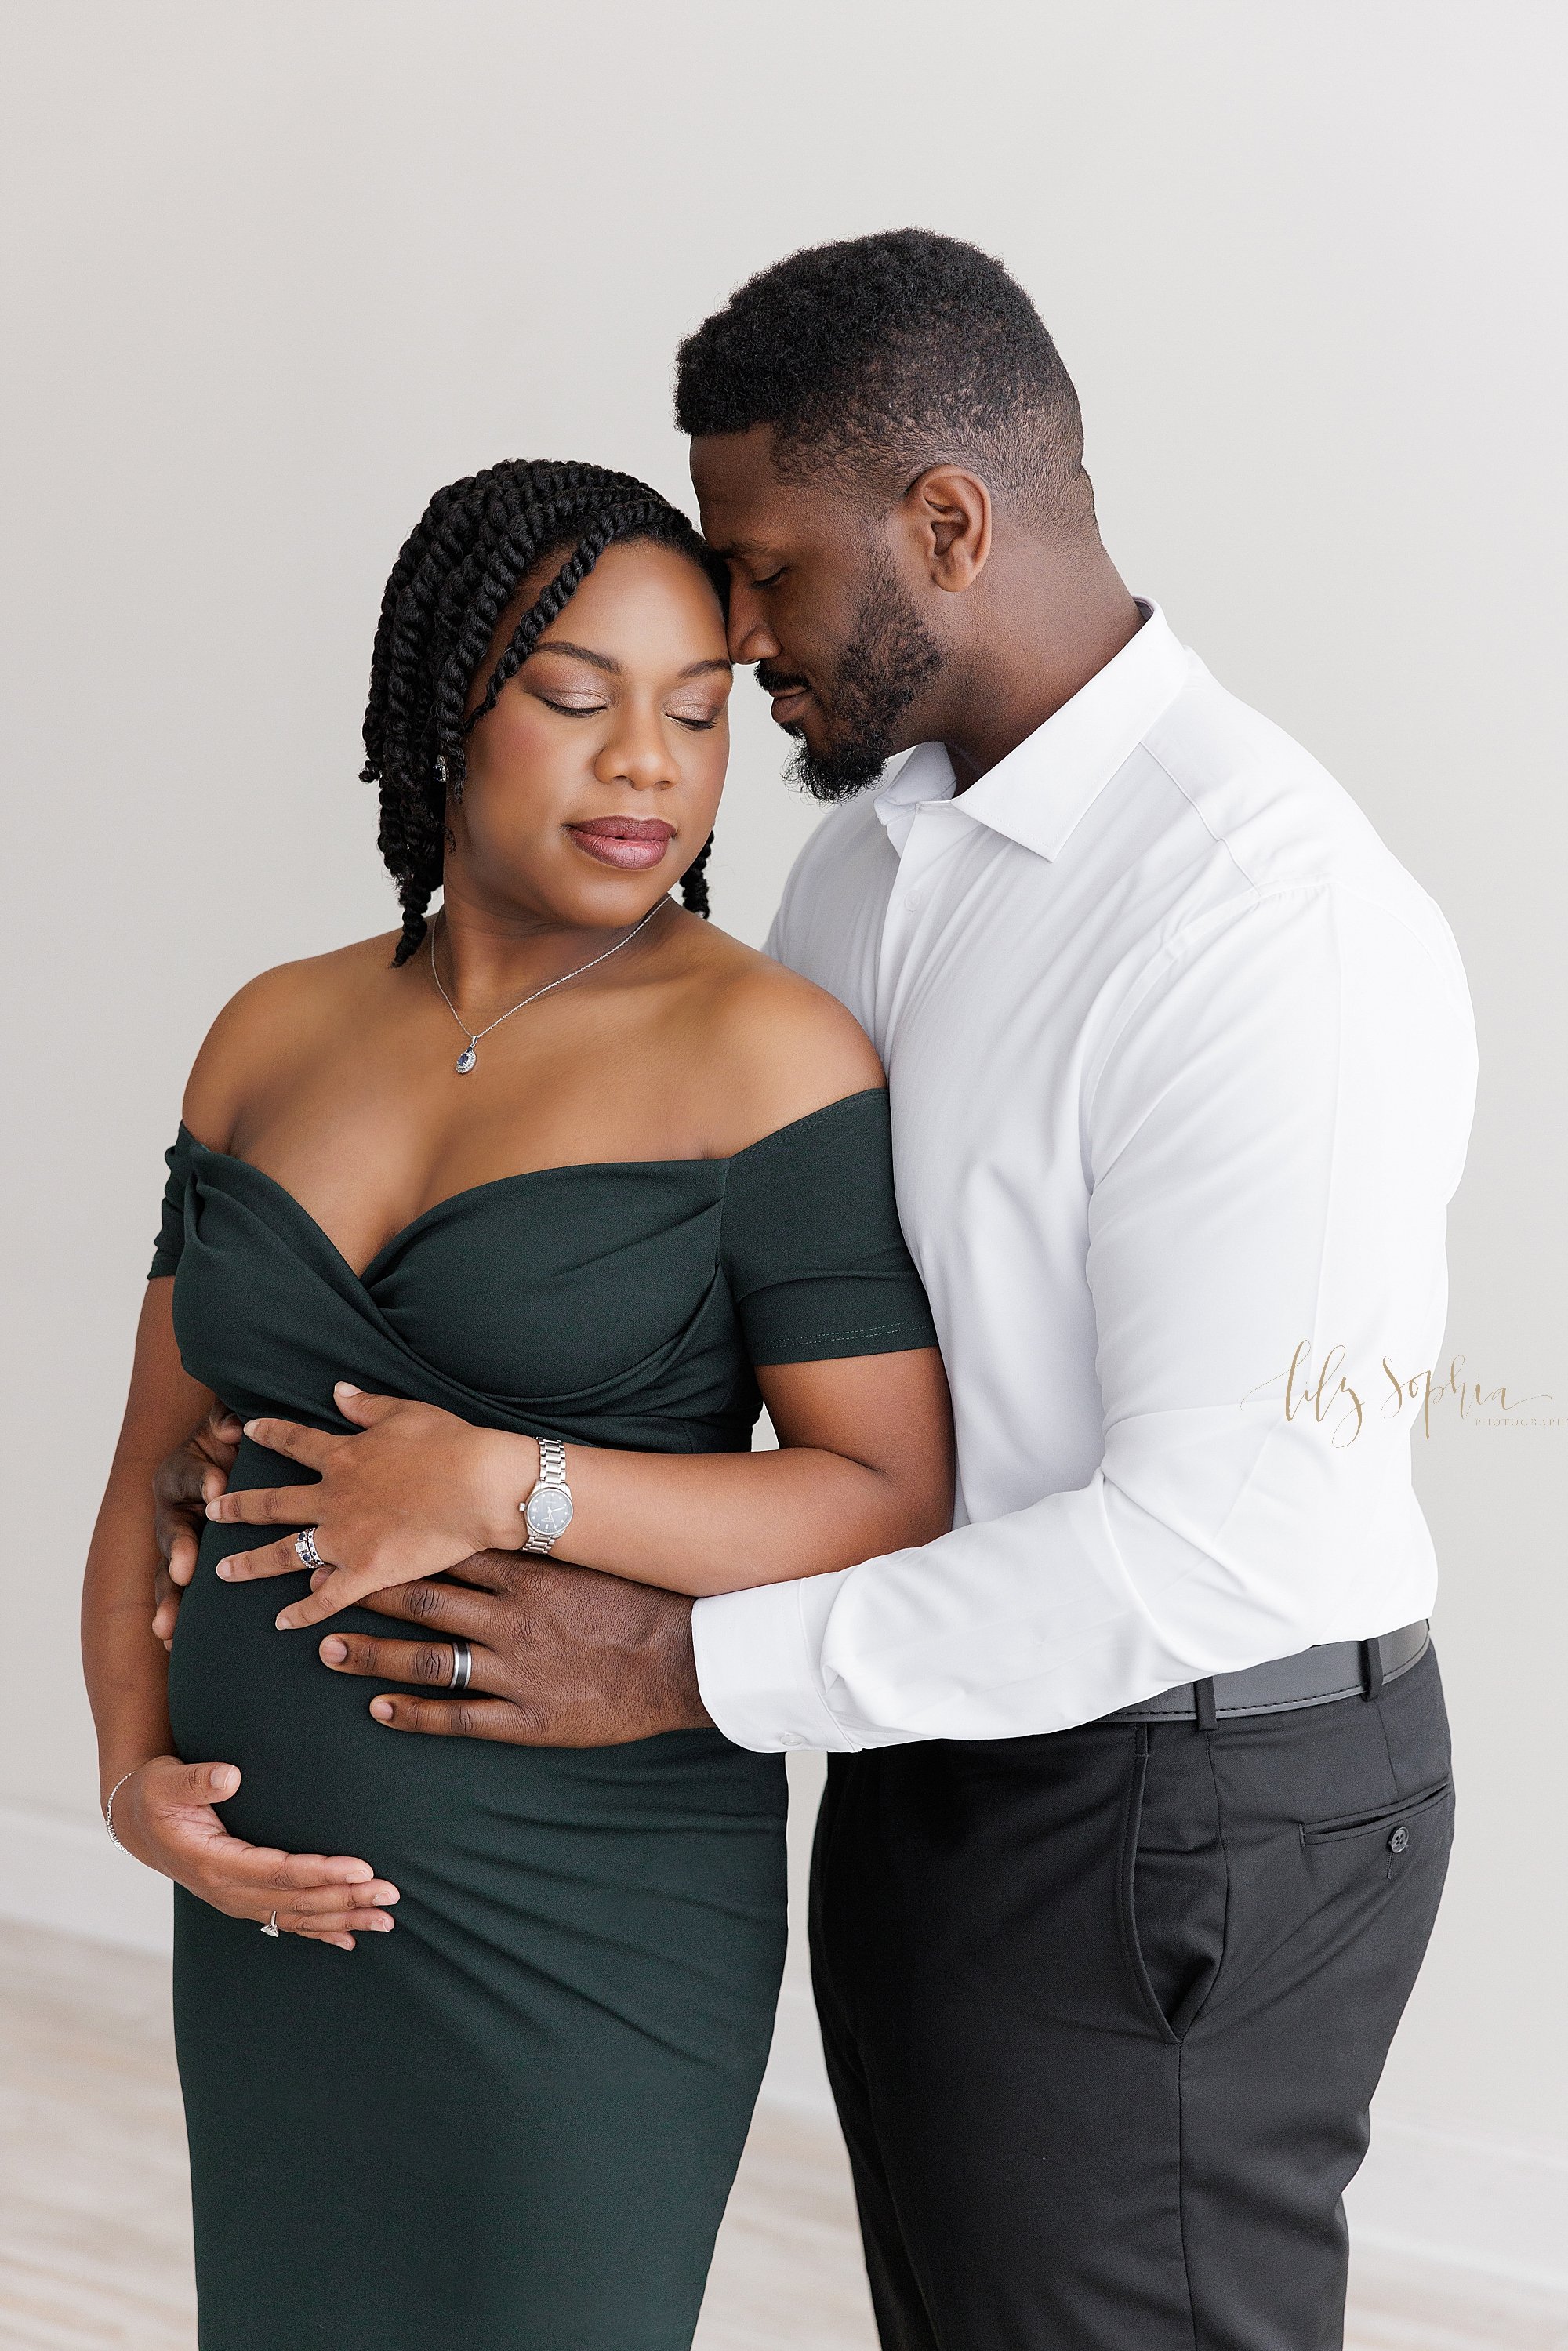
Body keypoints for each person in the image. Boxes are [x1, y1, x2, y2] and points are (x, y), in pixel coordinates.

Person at [151, 233, 1476, 2351]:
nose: (730, 635)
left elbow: (1249, 1538)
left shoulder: (1266, 923)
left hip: (1188, 1790)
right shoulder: (866, 860)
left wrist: (678, 1659)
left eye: (759, 578)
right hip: (933, 1739)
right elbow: (749, 1312)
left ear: (947, 525)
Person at [82, 457, 953, 2351]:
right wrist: (134, 1771)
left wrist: (503, 1481)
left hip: (587, 1903)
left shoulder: (764, 1053)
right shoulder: (269, 1027)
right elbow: (155, 1459)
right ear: (438, 709)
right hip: (277, 1915)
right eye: (579, 699)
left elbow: (885, 1488)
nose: (647, 761)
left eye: (702, 711)